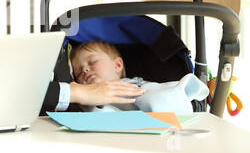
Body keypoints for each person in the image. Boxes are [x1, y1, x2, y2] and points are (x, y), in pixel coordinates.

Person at [70, 40, 209, 113]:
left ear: (117, 65)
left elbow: (154, 94)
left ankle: (183, 94)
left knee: (157, 95)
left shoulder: (134, 84)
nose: (85, 69)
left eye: (92, 62)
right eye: (78, 72)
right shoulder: (84, 98)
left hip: (151, 121)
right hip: (110, 129)